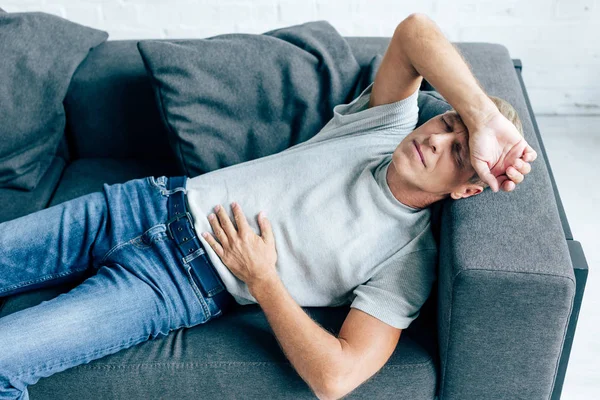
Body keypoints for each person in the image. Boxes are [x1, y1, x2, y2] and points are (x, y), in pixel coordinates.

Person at [0, 13, 536, 400]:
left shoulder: (407, 260)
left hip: (175, 284)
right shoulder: (383, 127)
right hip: (141, 203)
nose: (437, 141)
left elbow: (337, 378)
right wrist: (481, 117)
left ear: (466, 188)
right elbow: (415, 31)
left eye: (459, 152)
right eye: (445, 124)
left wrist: (264, 282)